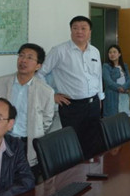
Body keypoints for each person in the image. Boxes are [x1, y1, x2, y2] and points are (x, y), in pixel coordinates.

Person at [37, 15, 105, 158]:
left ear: (90, 32)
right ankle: (76, 171)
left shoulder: (95, 51)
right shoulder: (59, 51)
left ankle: (92, 171)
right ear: (71, 30)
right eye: (75, 28)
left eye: (83, 28)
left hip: (93, 104)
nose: (79, 31)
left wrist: (100, 98)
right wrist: (52, 95)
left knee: (95, 143)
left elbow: (98, 76)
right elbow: (39, 74)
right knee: (74, 144)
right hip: (71, 106)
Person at [0, 43, 54, 176]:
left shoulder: (46, 91)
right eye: (21, 56)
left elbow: (46, 121)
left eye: (29, 57)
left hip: (26, 143)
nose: (23, 60)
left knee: (25, 179)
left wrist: (34, 131)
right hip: (1, 139)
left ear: (38, 66)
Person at [102, 44, 130, 117]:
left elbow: (129, 79)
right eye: (110, 52)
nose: (112, 54)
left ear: (119, 54)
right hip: (112, 95)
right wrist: (120, 88)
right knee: (112, 117)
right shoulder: (106, 66)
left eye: (114, 52)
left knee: (124, 116)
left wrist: (124, 88)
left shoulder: (124, 66)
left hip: (124, 95)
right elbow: (108, 82)